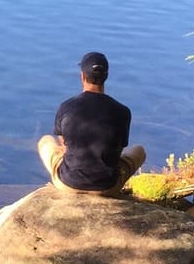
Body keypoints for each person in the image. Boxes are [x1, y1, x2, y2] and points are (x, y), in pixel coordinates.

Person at [37, 52, 146, 195]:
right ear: (106, 76)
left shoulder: (66, 107)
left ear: (82, 76)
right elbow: (118, 150)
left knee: (45, 141)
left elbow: (64, 145)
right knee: (139, 151)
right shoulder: (123, 111)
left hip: (67, 183)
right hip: (108, 187)